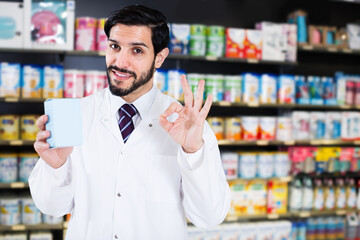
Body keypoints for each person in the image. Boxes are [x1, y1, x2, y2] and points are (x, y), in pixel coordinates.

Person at [29, 4, 231, 240]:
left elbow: (209, 217)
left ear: (159, 57)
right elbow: (52, 208)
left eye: (137, 50)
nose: (120, 61)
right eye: (115, 47)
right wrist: (56, 167)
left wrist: (193, 151)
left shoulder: (187, 123)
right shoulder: (77, 114)